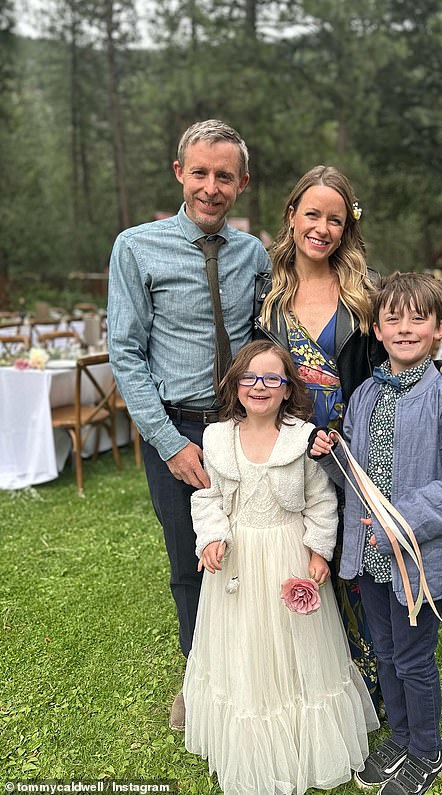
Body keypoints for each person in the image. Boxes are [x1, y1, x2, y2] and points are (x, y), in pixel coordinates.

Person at [255, 165, 442, 707]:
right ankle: (309, 674)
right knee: (302, 556)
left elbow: (400, 349)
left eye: (335, 218)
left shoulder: (367, 290)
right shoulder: (264, 293)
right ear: (292, 217)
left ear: (347, 226)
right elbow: (253, 368)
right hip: (290, 447)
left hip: (357, 451)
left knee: (360, 562)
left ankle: (374, 676)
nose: (322, 228)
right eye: (312, 214)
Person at [107, 119, 270, 729]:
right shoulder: (136, 247)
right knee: (191, 559)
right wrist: (170, 443)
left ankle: (250, 666)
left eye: (223, 176)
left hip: (244, 425)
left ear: (241, 183)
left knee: (252, 551)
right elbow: (126, 353)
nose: (210, 187)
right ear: (180, 173)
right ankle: (199, 674)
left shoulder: (253, 255)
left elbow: (282, 331)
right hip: (175, 428)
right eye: (199, 173)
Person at [310, 271, 442, 795]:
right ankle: (401, 737)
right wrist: (331, 457)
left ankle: (426, 752)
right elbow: (358, 472)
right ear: (377, 328)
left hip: (416, 558)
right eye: (393, 318)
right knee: (384, 652)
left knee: (413, 657)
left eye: (418, 318)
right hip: (371, 556)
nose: (405, 328)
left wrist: (398, 520)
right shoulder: (364, 394)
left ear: (439, 328)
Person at [183, 340, 379, 795]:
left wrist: (316, 550)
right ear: (235, 384)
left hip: (288, 554)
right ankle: (250, 738)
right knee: (246, 643)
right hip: (239, 562)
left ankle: (301, 736)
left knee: (294, 648)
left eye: (273, 378)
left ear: (288, 388)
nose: (260, 386)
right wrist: (212, 537)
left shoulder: (301, 439)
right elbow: (207, 497)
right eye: (250, 377)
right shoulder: (216, 438)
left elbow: (321, 501)